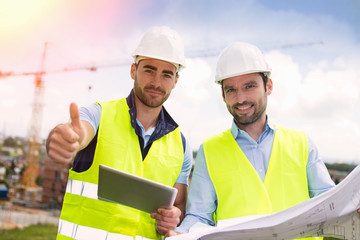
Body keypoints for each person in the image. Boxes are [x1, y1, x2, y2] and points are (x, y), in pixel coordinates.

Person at [168, 42, 342, 240]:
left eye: (249, 86)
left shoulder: (302, 143)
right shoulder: (209, 150)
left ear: (268, 86)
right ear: (223, 95)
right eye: (231, 89)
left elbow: (331, 204)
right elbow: (199, 216)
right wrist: (183, 234)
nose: (240, 98)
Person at [46, 26, 193, 240]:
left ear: (175, 81)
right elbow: (78, 133)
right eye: (149, 70)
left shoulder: (181, 145)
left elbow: (177, 207)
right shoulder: (98, 114)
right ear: (133, 70)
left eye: (166, 75)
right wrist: (66, 139)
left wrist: (173, 218)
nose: (156, 82)